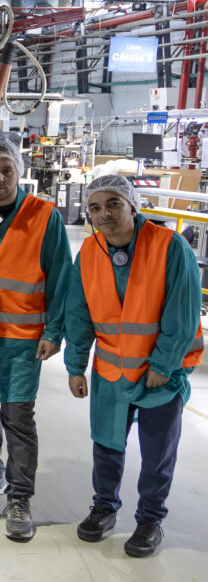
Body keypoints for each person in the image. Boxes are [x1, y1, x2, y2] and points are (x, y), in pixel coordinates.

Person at [65, 175, 203, 558]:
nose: (103, 214)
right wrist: (76, 366)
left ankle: (150, 520)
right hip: (110, 372)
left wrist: (163, 363)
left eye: (113, 204)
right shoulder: (90, 253)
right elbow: (78, 313)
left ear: (132, 205)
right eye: (94, 207)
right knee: (106, 446)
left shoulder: (169, 247)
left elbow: (183, 311)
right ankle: (104, 507)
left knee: (157, 453)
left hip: (160, 376)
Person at [0, 139, 72, 542]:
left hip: (23, 340)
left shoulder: (45, 216)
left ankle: (19, 497)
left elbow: (60, 277)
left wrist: (54, 331)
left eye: (7, 170)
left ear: (20, 174)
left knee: (18, 419)